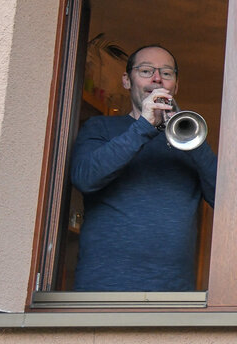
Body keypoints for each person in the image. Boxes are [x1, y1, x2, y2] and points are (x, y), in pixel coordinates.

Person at [70, 44, 216, 291]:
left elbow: (227, 202)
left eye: (166, 73)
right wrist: (143, 127)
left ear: (175, 87)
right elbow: (85, 177)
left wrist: (194, 143)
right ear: (127, 81)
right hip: (103, 288)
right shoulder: (100, 128)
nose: (157, 78)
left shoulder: (190, 140)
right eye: (146, 70)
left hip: (173, 292)